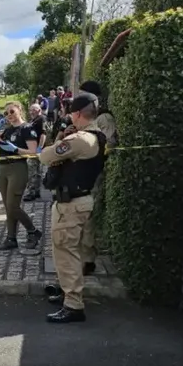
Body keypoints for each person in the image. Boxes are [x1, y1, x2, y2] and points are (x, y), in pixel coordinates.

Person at [38, 92, 107, 323]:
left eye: (71, 113)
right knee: (72, 252)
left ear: (77, 114)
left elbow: (46, 156)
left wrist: (60, 140)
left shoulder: (80, 139)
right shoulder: (97, 136)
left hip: (71, 205)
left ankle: (73, 305)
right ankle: (69, 293)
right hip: (79, 202)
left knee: (66, 253)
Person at [77, 80, 119, 274]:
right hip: (82, 173)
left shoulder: (104, 119)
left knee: (88, 216)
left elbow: (110, 144)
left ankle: (87, 260)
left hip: (94, 173)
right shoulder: (85, 118)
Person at [0, 102, 43, 251]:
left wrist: (15, 150)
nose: (9, 115)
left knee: (13, 206)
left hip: (17, 168)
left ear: (19, 110)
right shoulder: (7, 130)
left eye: (12, 111)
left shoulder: (26, 128)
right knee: (8, 207)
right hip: (3, 168)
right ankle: (11, 238)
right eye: (6, 113)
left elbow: (33, 152)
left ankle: (33, 231)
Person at [23, 103, 47, 201]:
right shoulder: (33, 120)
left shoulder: (41, 119)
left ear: (39, 110)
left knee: (32, 171)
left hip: (37, 149)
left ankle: (31, 192)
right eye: (30, 110)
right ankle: (35, 191)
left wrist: (40, 147)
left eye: (33, 110)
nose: (31, 112)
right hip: (32, 149)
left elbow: (43, 134)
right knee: (35, 172)